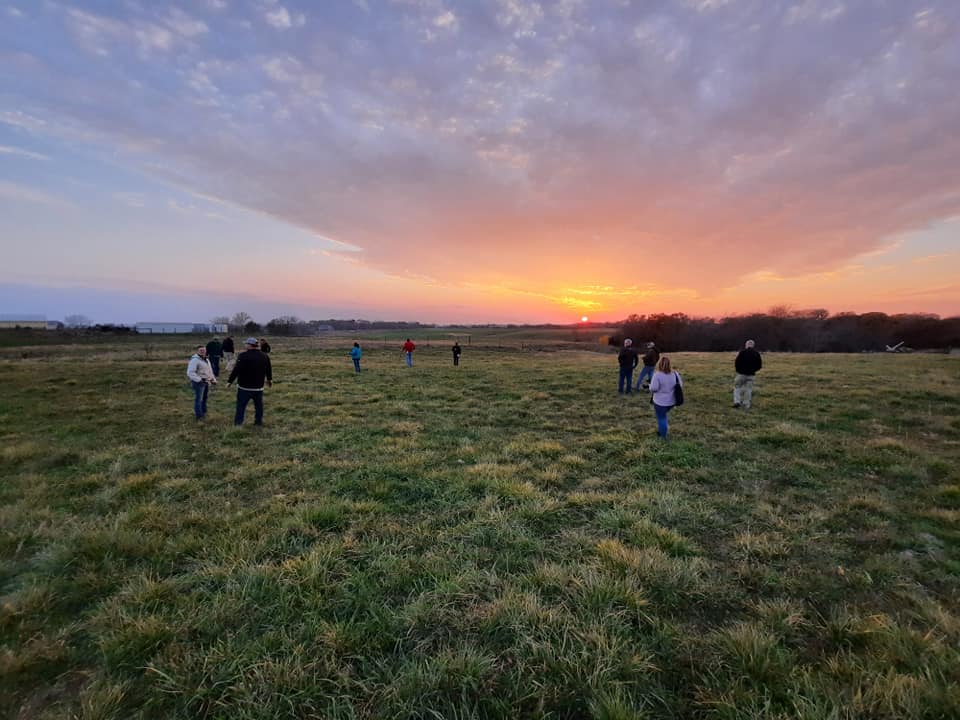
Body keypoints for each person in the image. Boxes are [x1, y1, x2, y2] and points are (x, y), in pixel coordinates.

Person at [227, 337, 273, 426]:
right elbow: (268, 369)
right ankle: (258, 422)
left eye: (246, 344)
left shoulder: (243, 356)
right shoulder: (264, 356)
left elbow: (237, 369)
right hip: (258, 388)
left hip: (244, 387)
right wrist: (269, 380)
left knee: (241, 406)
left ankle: (238, 424)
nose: (245, 345)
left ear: (249, 345)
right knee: (259, 407)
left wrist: (230, 381)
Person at [649, 355, 682, 439]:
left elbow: (653, 388)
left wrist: (649, 386)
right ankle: (661, 430)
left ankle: (663, 436)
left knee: (662, 418)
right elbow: (680, 385)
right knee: (663, 416)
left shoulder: (657, 375)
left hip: (660, 402)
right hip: (672, 402)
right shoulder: (675, 373)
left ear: (659, 364)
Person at [186, 345, 216, 419]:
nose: (203, 351)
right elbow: (190, 372)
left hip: (206, 382)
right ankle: (199, 416)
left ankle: (204, 412)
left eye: (204, 350)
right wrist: (200, 380)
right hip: (198, 383)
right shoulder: (195, 360)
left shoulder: (206, 359)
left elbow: (209, 371)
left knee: (205, 398)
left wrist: (213, 379)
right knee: (199, 400)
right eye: (201, 350)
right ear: (197, 351)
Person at [733, 339, 762, 409]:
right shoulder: (757, 353)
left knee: (737, 387)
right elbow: (759, 365)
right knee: (748, 390)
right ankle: (746, 404)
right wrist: (754, 370)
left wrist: (738, 370)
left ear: (746, 345)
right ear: (753, 346)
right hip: (751, 375)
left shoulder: (742, 352)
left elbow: (737, 362)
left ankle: (737, 402)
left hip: (741, 374)